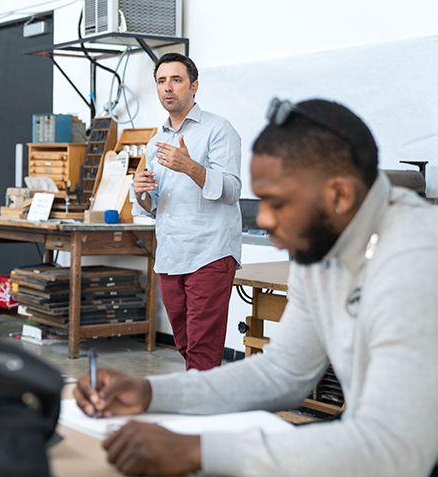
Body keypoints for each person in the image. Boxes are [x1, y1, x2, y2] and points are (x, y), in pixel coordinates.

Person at [76, 98, 438, 476]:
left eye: (278, 203)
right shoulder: (325, 246)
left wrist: (203, 451)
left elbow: (395, 450)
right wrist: (151, 393)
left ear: (340, 196)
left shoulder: (415, 259)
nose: (263, 219)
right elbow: (281, 372)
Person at [132, 52, 242, 371]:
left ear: (194, 87)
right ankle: (203, 401)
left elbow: (233, 190)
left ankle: (200, 414)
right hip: (170, 254)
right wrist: (140, 193)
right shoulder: (155, 142)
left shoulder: (219, 130)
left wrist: (190, 167)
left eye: (176, 80)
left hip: (210, 252)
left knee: (202, 351)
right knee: (185, 344)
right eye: (161, 81)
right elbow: (155, 204)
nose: (168, 88)